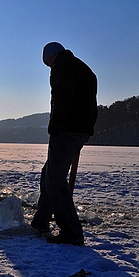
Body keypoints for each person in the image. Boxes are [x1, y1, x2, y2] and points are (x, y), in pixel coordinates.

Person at [31, 42, 98, 246]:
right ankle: (41, 220)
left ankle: (71, 231)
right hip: (80, 130)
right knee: (50, 173)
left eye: (48, 63)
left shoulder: (63, 67)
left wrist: (56, 126)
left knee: (55, 180)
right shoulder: (84, 68)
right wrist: (87, 129)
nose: (49, 67)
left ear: (51, 57)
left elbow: (62, 98)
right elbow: (90, 102)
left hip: (67, 130)